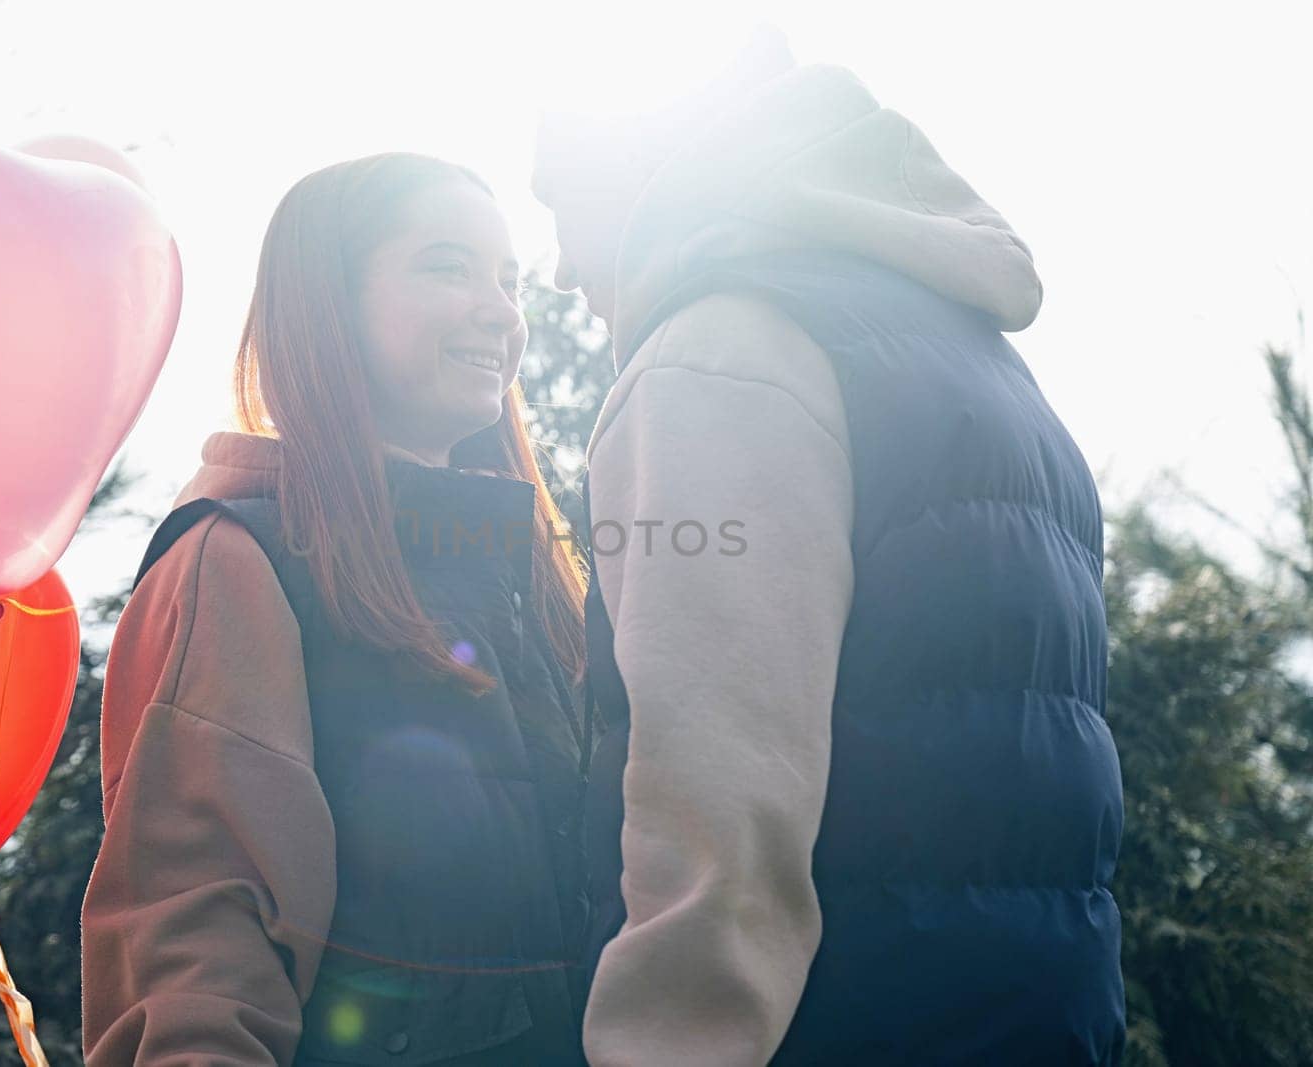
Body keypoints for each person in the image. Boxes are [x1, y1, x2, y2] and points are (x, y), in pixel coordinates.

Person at [532, 30, 1127, 1066]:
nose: (557, 265)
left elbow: (718, 818)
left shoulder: (723, 353)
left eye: (558, 207)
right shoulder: (980, 365)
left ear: (642, 170)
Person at [81, 152, 592, 1065]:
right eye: (448, 266)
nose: (500, 311)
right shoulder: (242, 559)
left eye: (508, 281)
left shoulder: (529, 568)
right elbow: (196, 938)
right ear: (329, 303)